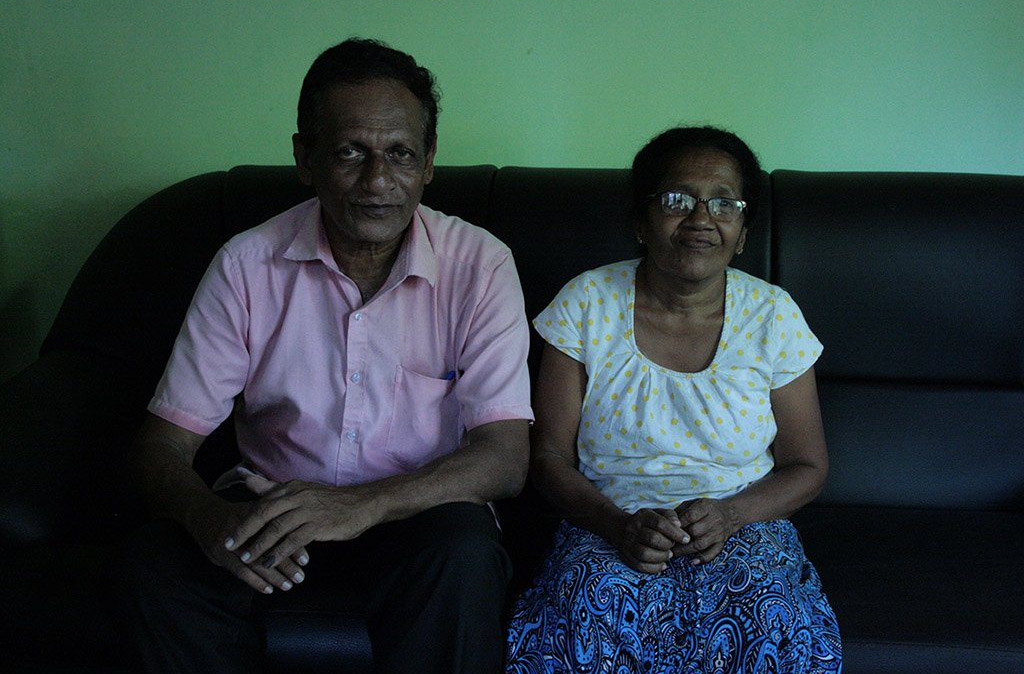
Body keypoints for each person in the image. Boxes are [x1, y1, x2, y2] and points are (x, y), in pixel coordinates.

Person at [120, 38, 533, 674]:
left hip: (418, 516)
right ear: (304, 159)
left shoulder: (481, 265)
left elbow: (504, 458)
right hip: (274, 511)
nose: (377, 181)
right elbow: (161, 445)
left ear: (428, 163)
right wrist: (207, 520)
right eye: (349, 152)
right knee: (156, 564)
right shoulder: (246, 265)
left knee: (463, 553)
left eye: (400, 154)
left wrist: (361, 506)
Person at [506, 127, 842, 673]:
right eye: (676, 200)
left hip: (745, 527)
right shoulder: (585, 302)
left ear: (743, 233)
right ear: (640, 221)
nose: (701, 218)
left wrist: (731, 515)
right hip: (608, 524)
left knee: (765, 615)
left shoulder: (774, 315)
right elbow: (547, 458)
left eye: (724, 204)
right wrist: (619, 526)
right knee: (588, 608)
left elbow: (808, 467)